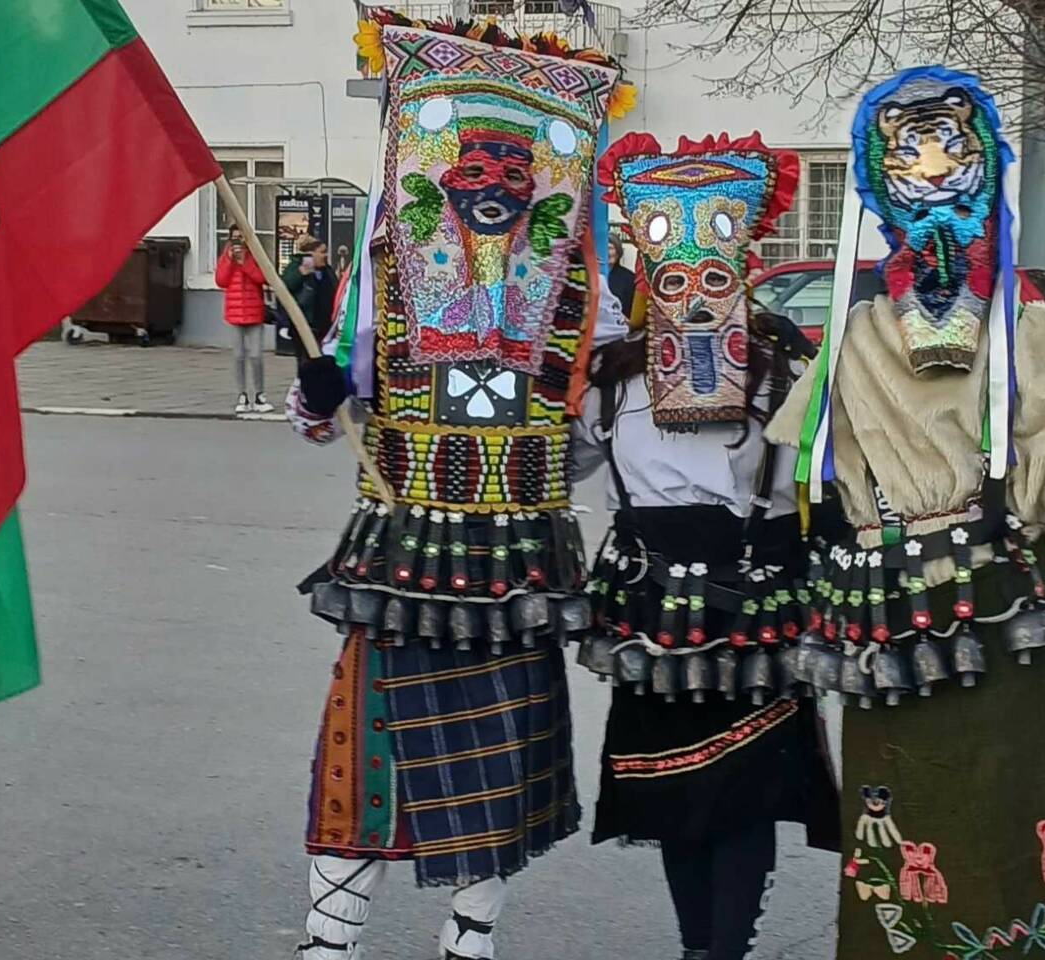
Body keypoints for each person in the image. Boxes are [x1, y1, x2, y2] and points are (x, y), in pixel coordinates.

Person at [283, 9, 631, 959]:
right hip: (401, 558)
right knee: (369, 762)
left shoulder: (583, 297)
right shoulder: (386, 273)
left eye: (518, 173)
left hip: (519, 562)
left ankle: (470, 938)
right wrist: (318, 392)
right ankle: (329, 944)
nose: (495, 190)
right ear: (439, 176)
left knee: (500, 774)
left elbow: (591, 442)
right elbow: (321, 416)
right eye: (472, 169)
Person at [767, 66, 1045, 960]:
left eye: (950, 149)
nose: (930, 169)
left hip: (1006, 598)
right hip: (889, 609)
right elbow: (808, 478)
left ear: (983, 167)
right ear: (878, 183)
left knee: (1023, 796)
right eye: (907, 154)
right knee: (902, 802)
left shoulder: (1030, 324)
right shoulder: (853, 336)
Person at [574, 130, 840, 960]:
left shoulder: (780, 368)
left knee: (744, 791)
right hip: (652, 601)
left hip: (753, 597)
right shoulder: (613, 378)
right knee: (674, 792)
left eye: (713, 274)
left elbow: (823, 475)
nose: (692, 292)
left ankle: (724, 950)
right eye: (673, 272)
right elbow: (560, 461)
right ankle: (699, 947)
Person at [215, 225, 273, 413]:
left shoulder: (255, 255)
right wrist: (230, 260)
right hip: (235, 313)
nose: (238, 241)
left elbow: (262, 277)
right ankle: (242, 394)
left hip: (254, 312)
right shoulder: (226, 256)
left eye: (241, 237)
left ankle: (260, 394)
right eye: (235, 237)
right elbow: (221, 281)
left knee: (256, 355)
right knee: (238, 356)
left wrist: (245, 262)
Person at [280, 235, 339, 366]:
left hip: (325, 327)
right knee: (305, 363)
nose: (325, 256)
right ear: (311, 254)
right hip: (305, 325)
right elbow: (285, 286)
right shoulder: (296, 267)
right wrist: (300, 274)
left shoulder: (327, 270)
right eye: (322, 252)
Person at [606, 234, 636, 319]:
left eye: (610, 248)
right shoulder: (593, 275)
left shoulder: (629, 278)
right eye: (604, 248)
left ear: (618, 252)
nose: (607, 252)